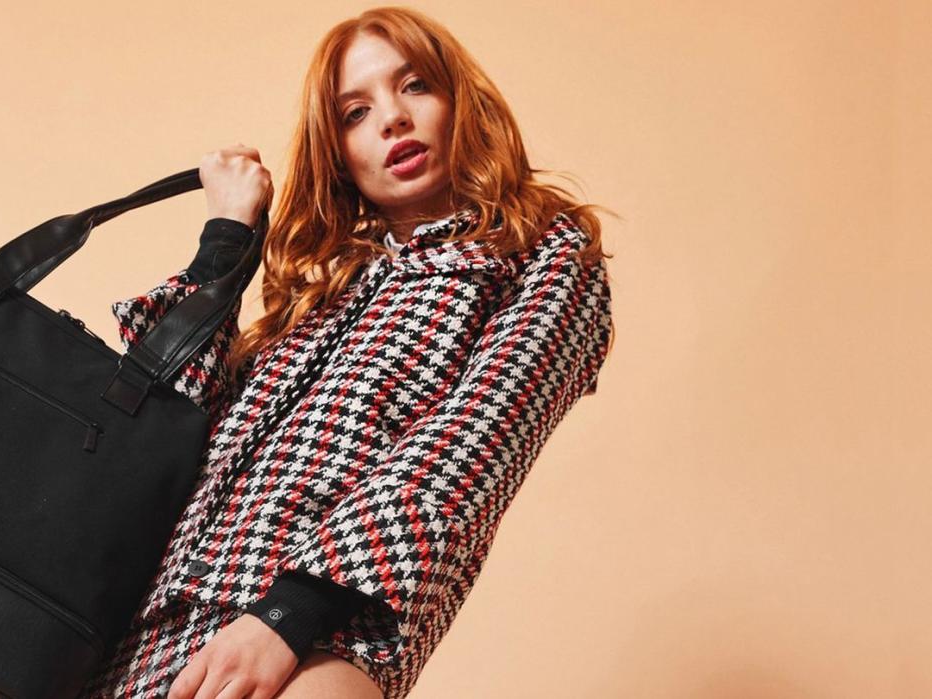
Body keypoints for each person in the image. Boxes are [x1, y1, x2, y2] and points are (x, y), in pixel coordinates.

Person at [80, 6, 615, 698]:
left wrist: (287, 614)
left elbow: (471, 448)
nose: (392, 118)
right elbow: (164, 422)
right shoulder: (320, 286)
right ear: (337, 150)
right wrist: (226, 239)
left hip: (324, 634)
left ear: (461, 100)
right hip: (149, 634)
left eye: (416, 85)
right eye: (354, 113)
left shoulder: (546, 250)